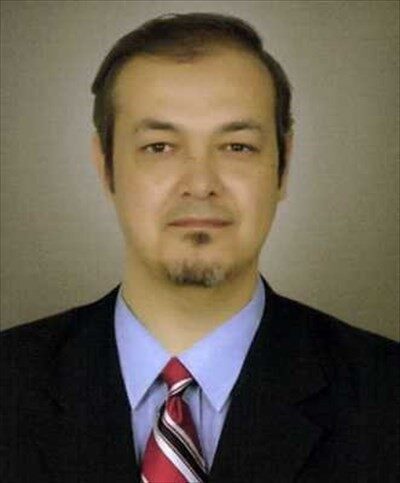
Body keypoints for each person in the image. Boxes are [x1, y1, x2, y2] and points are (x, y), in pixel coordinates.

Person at [1, 12, 398, 483]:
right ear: (105, 167)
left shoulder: (386, 396)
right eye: (159, 147)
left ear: (283, 167)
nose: (201, 183)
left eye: (237, 147)